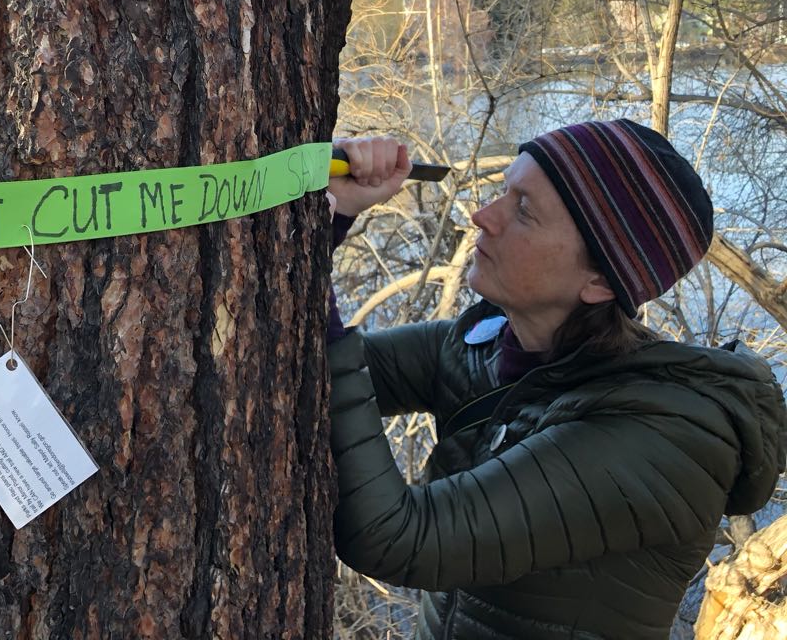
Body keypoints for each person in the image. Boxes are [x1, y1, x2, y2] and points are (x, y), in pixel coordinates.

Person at [326, 119, 787, 639]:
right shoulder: (488, 344)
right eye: (505, 192)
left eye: (523, 209)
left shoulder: (660, 436)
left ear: (598, 280)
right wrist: (330, 219)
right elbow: (316, 378)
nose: (483, 217)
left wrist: (314, 274)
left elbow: (395, 537)